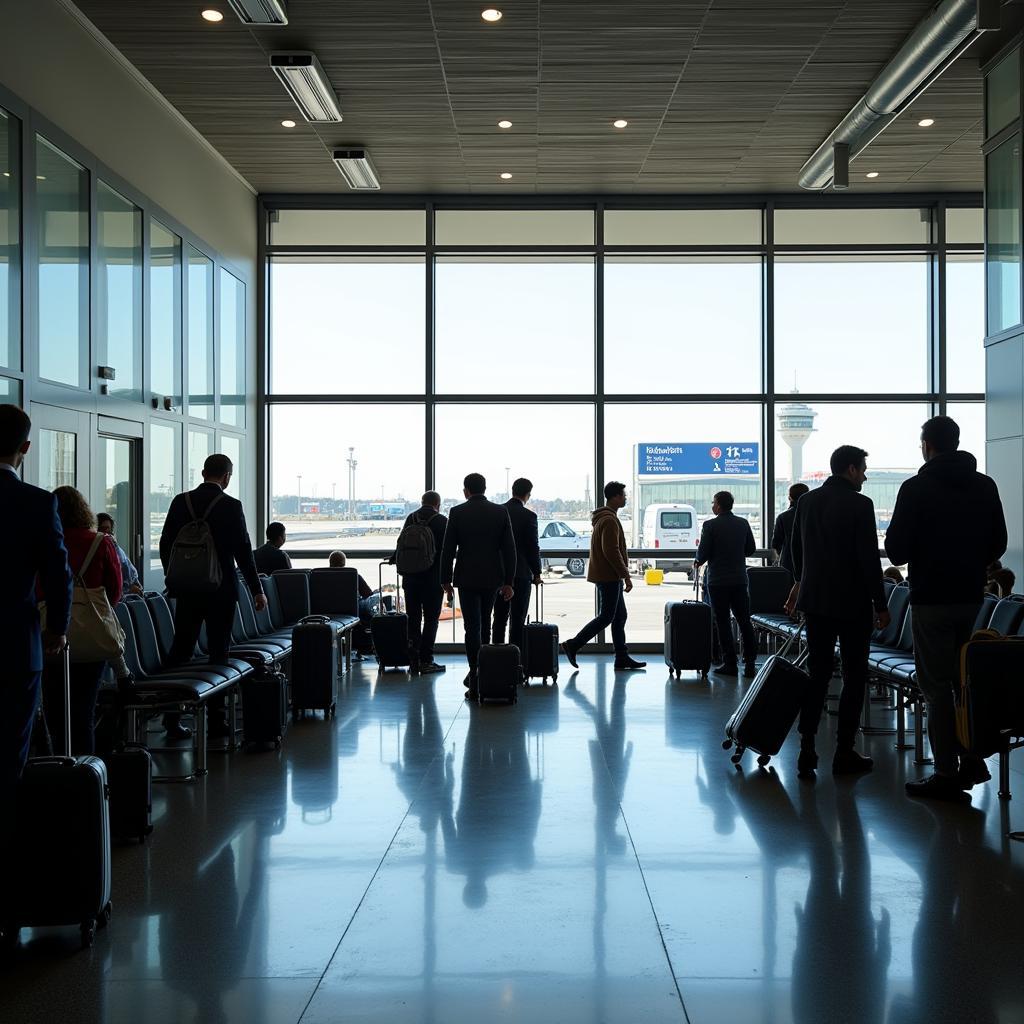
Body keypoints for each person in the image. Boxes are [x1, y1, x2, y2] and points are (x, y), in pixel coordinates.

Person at [885, 415, 1007, 800]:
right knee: (965, 681)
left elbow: (897, 550)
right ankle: (971, 755)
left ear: (927, 445)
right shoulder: (984, 485)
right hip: (971, 597)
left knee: (937, 687)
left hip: (931, 598)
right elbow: (998, 542)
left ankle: (945, 772)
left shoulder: (916, 488)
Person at [785, 445, 890, 778]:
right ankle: (844, 750)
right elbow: (869, 560)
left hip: (816, 602)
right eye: (862, 469)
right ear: (850, 469)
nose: (865, 476)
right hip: (852, 603)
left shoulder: (807, 501)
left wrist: (805, 582)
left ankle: (807, 748)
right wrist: (880, 603)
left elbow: (795, 551)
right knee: (854, 675)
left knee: (818, 674)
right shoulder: (861, 504)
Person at [0, 405, 72, 834]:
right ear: (25, 447)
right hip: (15, 648)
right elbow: (57, 574)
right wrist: (58, 630)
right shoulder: (36, 502)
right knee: (11, 754)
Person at [159, 453, 265, 737]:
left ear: (204, 472)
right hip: (221, 590)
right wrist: (257, 590)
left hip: (187, 590)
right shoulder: (231, 506)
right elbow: (243, 552)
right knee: (219, 652)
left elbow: (165, 543)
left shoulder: (181, 501)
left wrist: (176, 577)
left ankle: (171, 717)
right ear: (227, 477)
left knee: (181, 649)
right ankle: (217, 721)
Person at [39, 487, 123, 756]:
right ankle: (85, 778)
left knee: (54, 709)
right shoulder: (100, 542)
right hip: (91, 636)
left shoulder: (46, 540)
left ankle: (57, 768)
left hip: (49, 632)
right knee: (84, 711)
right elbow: (115, 591)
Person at [440, 473, 517, 697]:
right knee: (486, 625)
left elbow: (448, 549)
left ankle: (474, 673)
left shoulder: (457, 512)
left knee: (471, 627)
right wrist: (509, 582)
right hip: (493, 577)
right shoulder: (500, 512)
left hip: (466, 578)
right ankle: (487, 671)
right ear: (485, 488)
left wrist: (445, 580)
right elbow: (510, 550)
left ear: (466, 491)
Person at [560, 481, 645, 672]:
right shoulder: (609, 520)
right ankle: (573, 644)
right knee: (607, 616)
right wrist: (626, 575)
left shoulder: (604, 518)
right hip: (609, 576)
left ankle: (621, 657)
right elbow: (611, 551)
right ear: (615, 497)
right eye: (623, 495)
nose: (625, 498)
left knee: (619, 616)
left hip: (606, 575)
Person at [694, 490, 758, 676]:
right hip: (739, 579)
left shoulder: (710, 525)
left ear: (719, 505)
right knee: (744, 621)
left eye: (713, 502)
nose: (712, 505)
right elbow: (751, 549)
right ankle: (750, 663)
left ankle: (730, 663)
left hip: (718, 581)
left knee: (722, 622)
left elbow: (703, 553)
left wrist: (698, 559)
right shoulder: (743, 523)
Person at [394, 491, 448, 674]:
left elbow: (400, 544)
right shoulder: (441, 521)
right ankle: (427, 660)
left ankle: (413, 660)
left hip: (410, 579)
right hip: (433, 581)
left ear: (422, 502)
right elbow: (447, 552)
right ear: (438, 505)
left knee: (413, 619)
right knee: (431, 619)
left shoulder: (411, 517)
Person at [491, 477, 542, 658]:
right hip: (521, 574)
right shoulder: (529, 516)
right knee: (518, 620)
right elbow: (532, 547)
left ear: (512, 490)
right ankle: (515, 661)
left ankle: (495, 658)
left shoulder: (497, 512)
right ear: (528, 495)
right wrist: (537, 573)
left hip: (499, 574)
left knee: (499, 619)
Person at [96, 513, 144, 596]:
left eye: (108, 529)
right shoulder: (103, 546)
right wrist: (129, 586)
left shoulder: (113, 545)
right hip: (120, 590)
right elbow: (122, 565)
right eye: (102, 529)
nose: (106, 533)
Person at [770, 482, 809, 576]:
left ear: (789, 498)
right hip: (809, 562)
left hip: (788, 563)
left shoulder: (783, 517)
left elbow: (776, 543)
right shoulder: (813, 515)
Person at [328, 550, 381, 617]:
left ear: (330, 563)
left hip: (328, 609)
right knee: (375, 596)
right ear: (344, 563)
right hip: (351, 610)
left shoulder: (320, 576)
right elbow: (368, 594)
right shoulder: (354, 576)